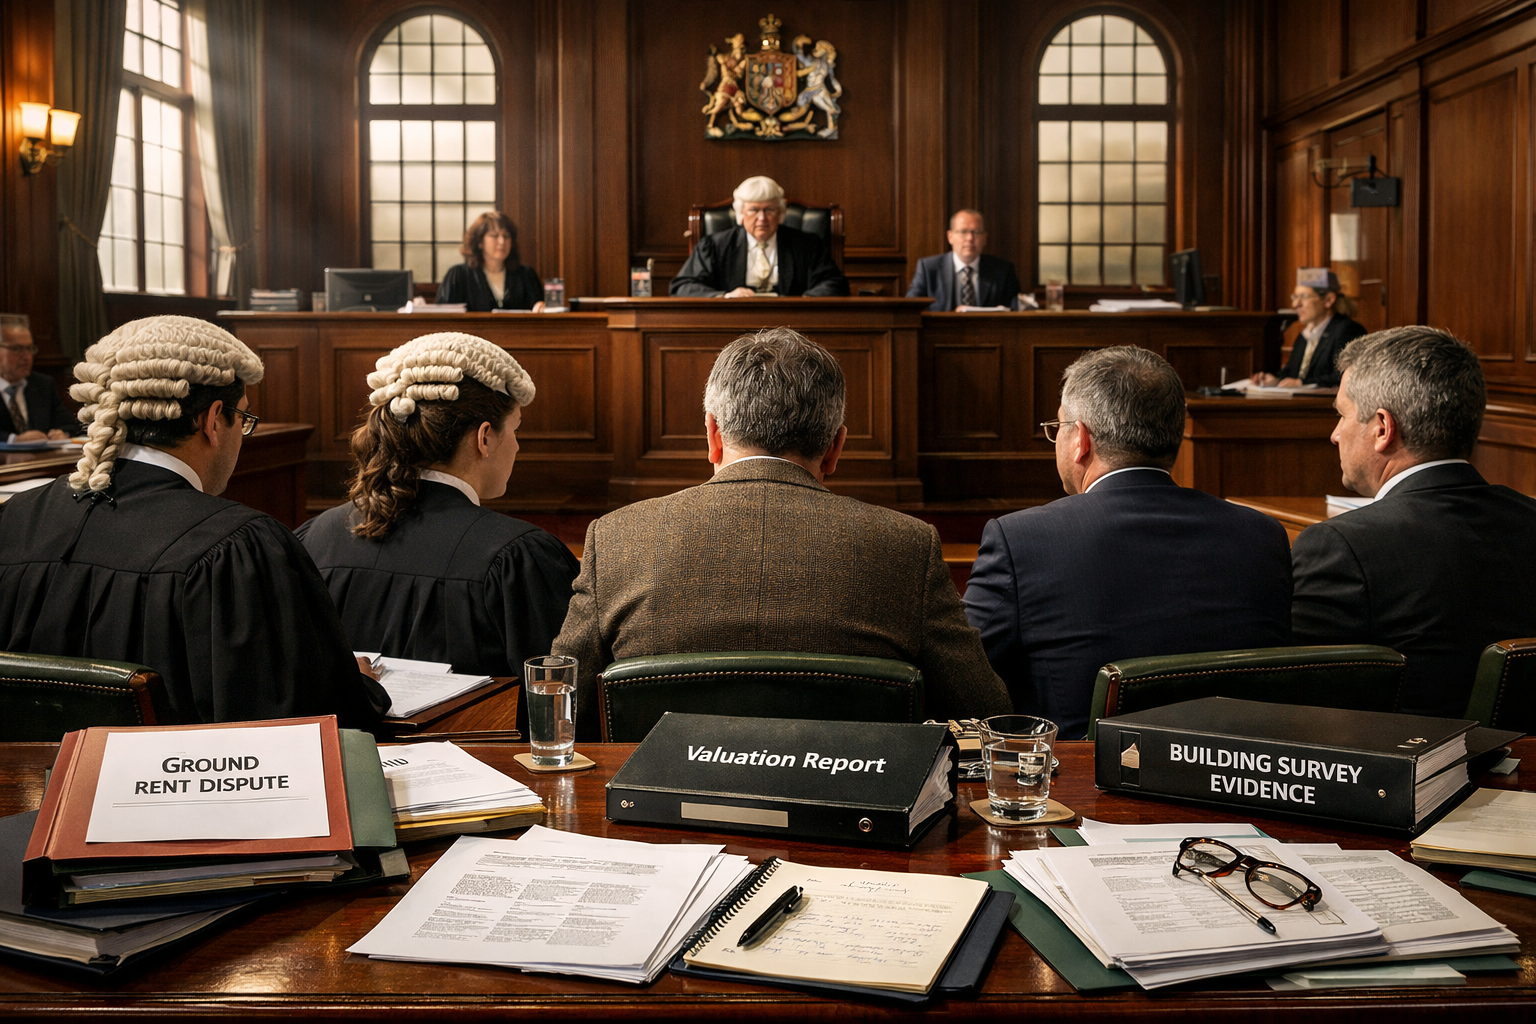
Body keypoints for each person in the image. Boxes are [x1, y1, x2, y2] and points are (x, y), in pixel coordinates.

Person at [551, 327, 1010, 739]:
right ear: (835, 448)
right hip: (851, 824)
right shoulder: (907, 548)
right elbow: (991, 719)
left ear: (712, 435)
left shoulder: (615, 540)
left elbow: (554, 717)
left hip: (653, 823)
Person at [0, 315, 390, 728]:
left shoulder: (15, 520)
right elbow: (298, 723)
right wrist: (358, 683)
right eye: (245, 419)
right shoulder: (237, 548)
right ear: (213, 419)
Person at [962, 346, 1292, 739]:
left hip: (1078, 790)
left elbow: (965, 678)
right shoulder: (1262, 537)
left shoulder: (1020, 541)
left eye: (1058, 428)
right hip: (1229, 786)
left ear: (1080, 439)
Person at [296, 332, 580, 730]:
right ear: (483, 438)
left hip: (344, 777)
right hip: (491, 778)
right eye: (515, 429)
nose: (516, 445)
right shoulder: (519, 557)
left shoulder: (315, 537)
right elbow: (562, 711)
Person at [1291, 326, 1536, 718]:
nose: (1335, 434)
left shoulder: (1340, 547)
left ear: (1383, 429)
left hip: (1407, 773)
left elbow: (1305, 712)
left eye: (1341, 415)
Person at [669, 176, 850, 298]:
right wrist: (726, 297)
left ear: (780, 213)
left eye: (769, 210)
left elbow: (835, 284)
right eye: (754, 210)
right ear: (741, 213)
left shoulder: (807, 245)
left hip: (793, 329)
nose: (762, 218)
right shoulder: (715, 245)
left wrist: (801, 303)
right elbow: (682, 287)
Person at [1251, 268, 1366, 388]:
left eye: (1304, 297)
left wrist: (1301, 383)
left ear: (1329, 300)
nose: (1295, 304)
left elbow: (1346, 376)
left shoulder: (1347, 330)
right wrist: (1276, 380)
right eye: (1295, 297)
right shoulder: (1304, 335)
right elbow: (1292, 371)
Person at [906, 210, 1022, 311]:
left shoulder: (1003, 270)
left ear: (984, 238)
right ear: (950, 237)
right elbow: (910, 308)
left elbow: (1016, 308)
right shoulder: (928, 268)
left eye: (976, 232)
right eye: (963, 232)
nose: (970, 238)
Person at [436, 211, 547, 312]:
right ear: (479, 242)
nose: (502, 241)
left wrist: (542, 307)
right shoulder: (459, 275)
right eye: (494, 235)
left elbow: (541, 309)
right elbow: (444, 317)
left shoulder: (526, 275)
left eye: (506, 236)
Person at [0, 315, 78, 441]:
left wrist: (62, 433)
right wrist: (14, 439)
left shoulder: (43, 384)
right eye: (17, 349)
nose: (26, 357)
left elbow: (68, 424)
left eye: (29, 348)